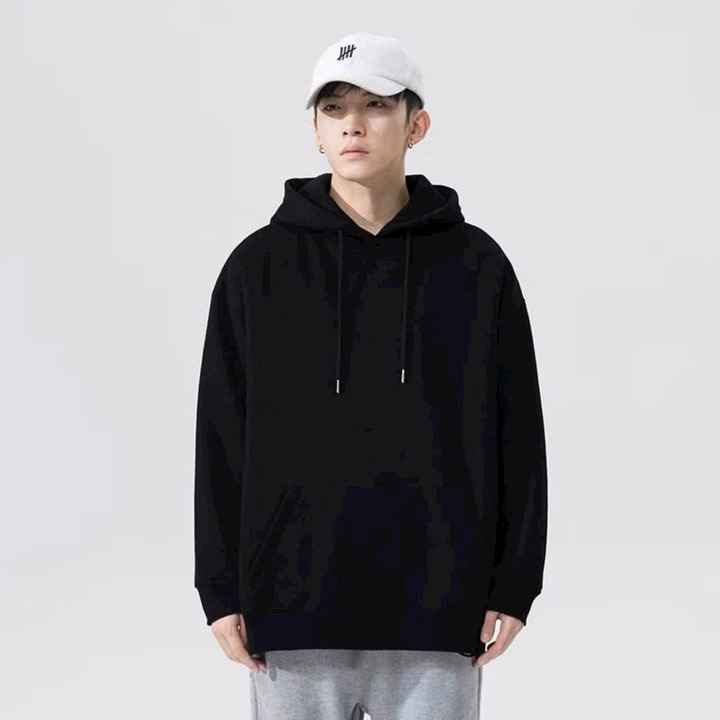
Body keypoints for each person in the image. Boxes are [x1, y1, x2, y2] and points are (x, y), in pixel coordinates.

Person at [194, 31, 548, 720]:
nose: (353, 123)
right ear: (316, 131)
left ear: (417, 125)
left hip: (439, 608)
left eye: (376, 104)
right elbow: (220, 438)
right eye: (334, 108)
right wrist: (219, 587)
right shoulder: (256, 268)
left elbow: (519, 435)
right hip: (291, 606)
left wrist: (515, 582)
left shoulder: (477, 267)